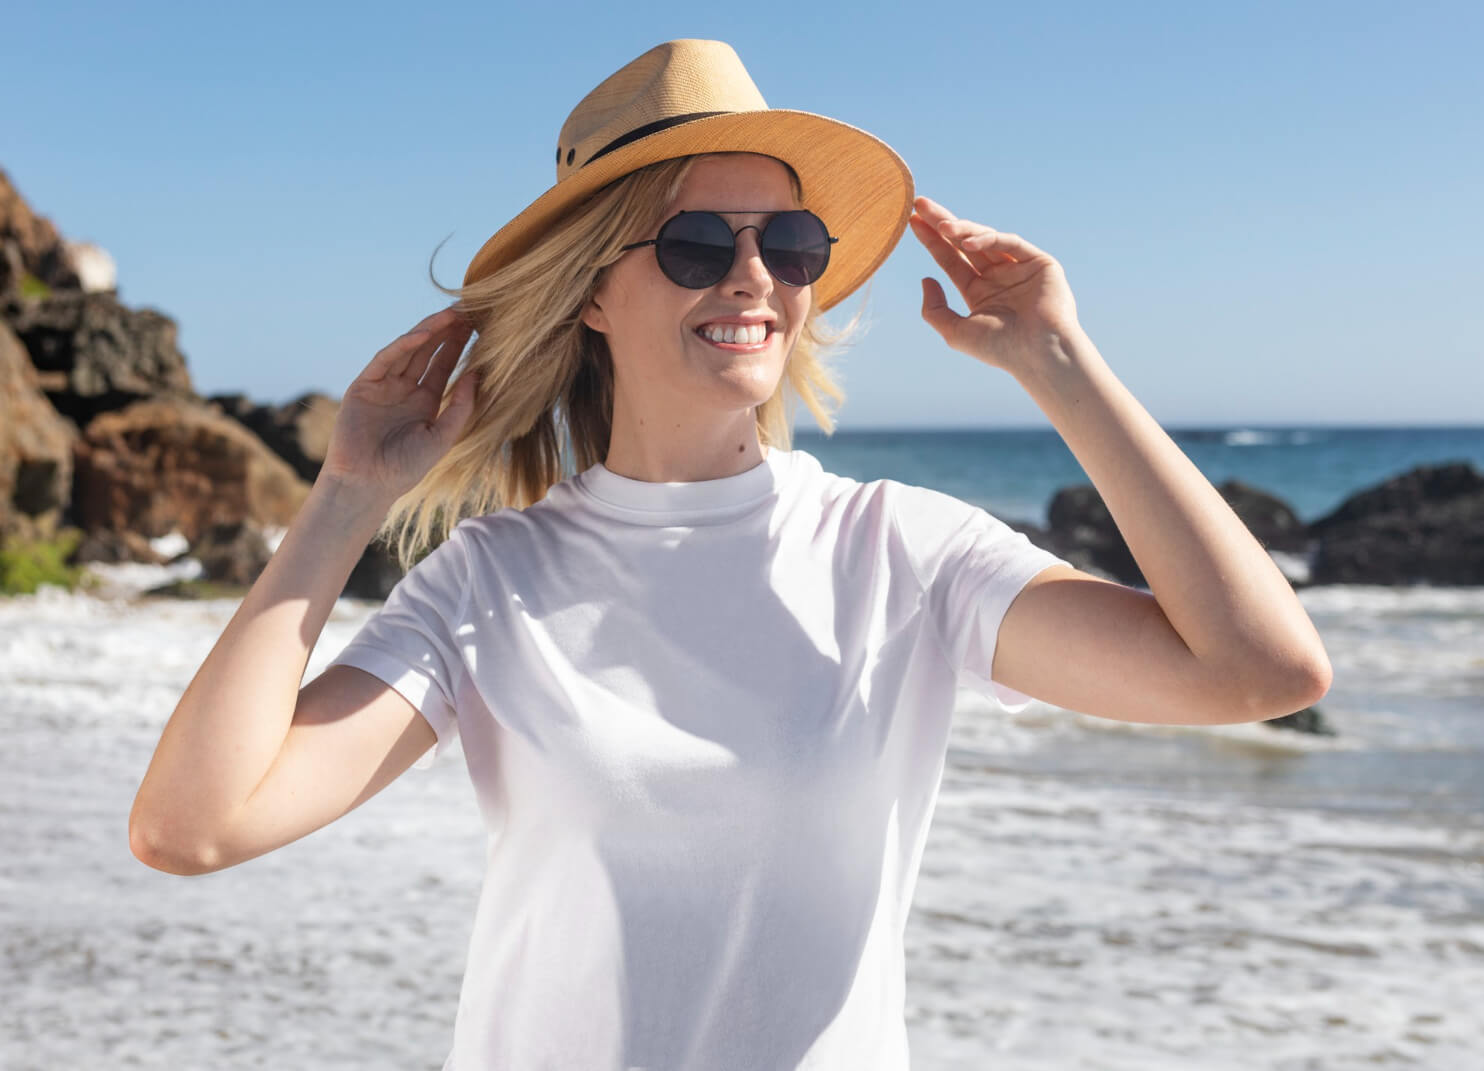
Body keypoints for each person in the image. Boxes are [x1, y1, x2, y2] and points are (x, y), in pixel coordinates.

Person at [130, 39, 1331, 1070]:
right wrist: (346, 500)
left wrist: (1062, 369)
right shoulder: (491, 585)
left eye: (790, 242)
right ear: (591, 290)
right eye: (697, 243)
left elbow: (1259, 672)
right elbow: (193, 828)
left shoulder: (899, 551)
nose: (753, 275)